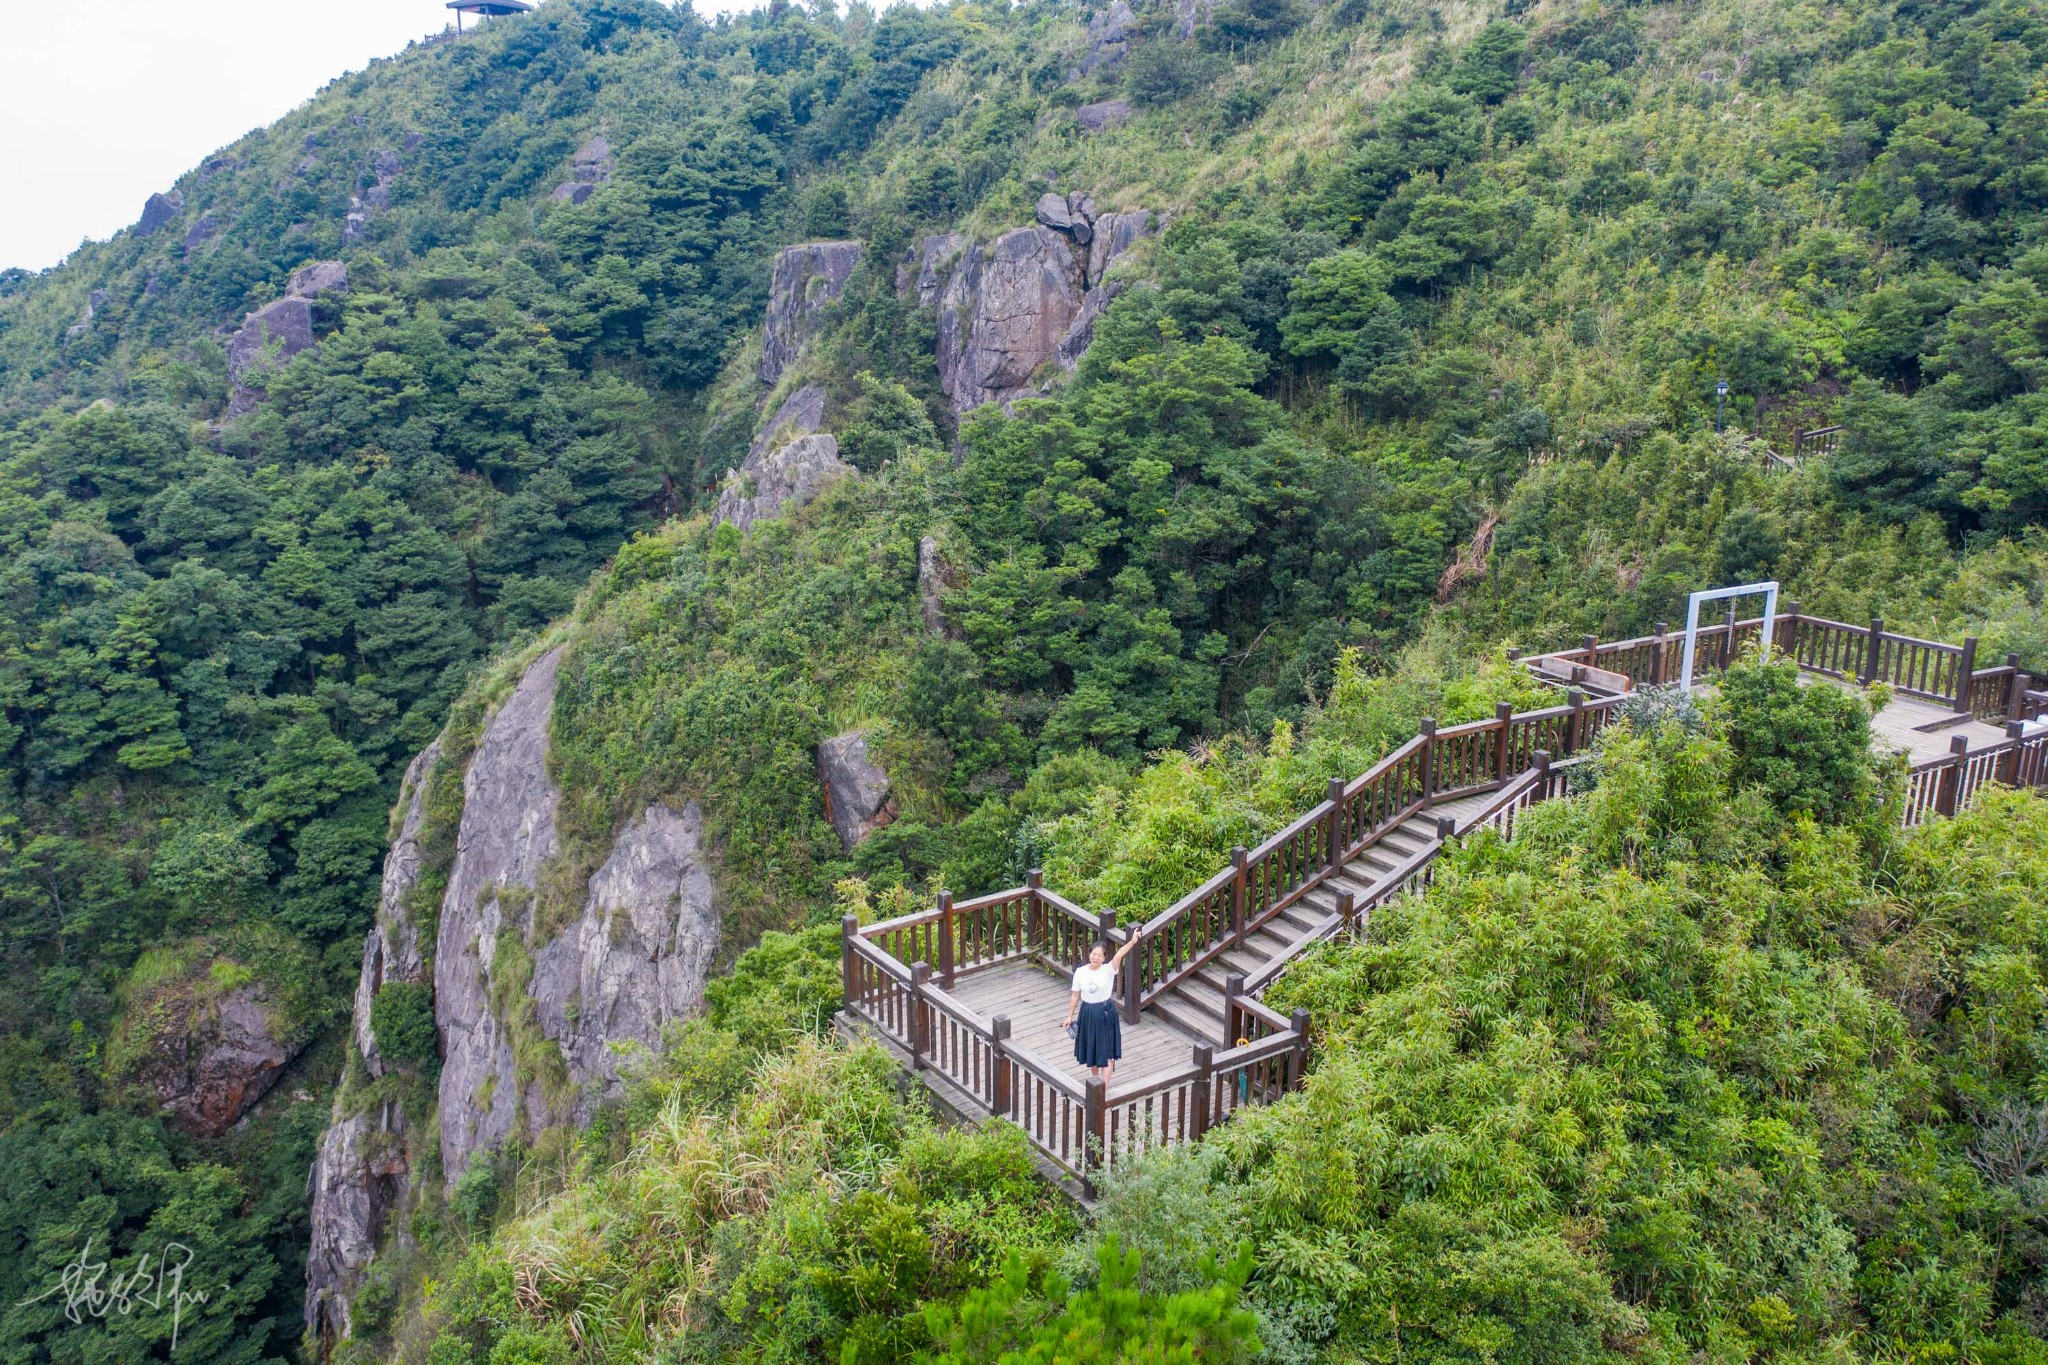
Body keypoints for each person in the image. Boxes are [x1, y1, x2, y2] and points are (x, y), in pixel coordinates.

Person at [1063, 930, 1141, 1084]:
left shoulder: (1108, 969)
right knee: (1092, 1048)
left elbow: (1119, 954)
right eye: (1094, 954)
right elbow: (1075, 995)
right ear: (1089, 954)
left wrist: (1132, 941)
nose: (1096, 957)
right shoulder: (1080, 972)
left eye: (1100, 955)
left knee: (1107, 1051)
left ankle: (1103, 1089)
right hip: (1087, 1012)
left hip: (1105, 1012)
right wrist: (1069, 1016)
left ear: (1104, 958)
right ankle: (1096, 1082)